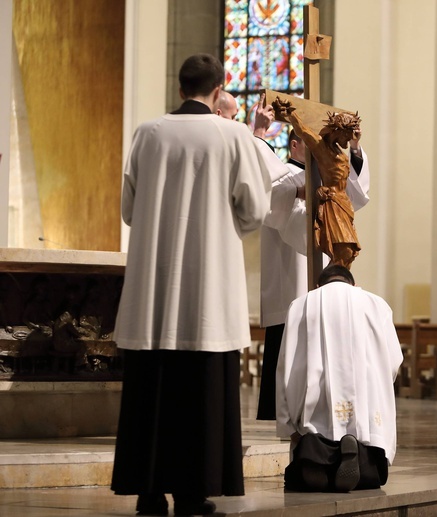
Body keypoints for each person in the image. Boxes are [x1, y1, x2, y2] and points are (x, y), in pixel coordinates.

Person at [110, 54, 287, 516]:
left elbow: (129, 210)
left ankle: (148, 491)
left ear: (180, 84)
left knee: (153, 389)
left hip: (154, 288)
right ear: (218, 87)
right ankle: (192, 491)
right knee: (199, 394)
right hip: (208, 288)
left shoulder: (147, 133)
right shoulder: (231, 135)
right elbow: (254, 208)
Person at [253, 95, 370, 421]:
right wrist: (261, 139)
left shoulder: (319, 176)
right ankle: (281, 409)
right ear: (295, 144)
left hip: (322, 275)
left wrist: (355, 151)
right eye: (312, 141)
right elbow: (272, 205)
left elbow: (356, 196)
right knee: (288, 337)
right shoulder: (285, 175)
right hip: (289, 277)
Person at [276, 265, 403, 492]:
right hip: (366, 413)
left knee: (307, 453)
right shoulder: (377, 304)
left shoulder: (302, 304)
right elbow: (393, 363)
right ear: (353, 285)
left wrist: (289, 421)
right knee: (371, 466)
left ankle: (318, 463)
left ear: (318, 286)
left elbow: (287, 365)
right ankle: (358, 455)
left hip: (315, 413)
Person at [272, 97, 363, 268]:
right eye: (347, 135)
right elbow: (304, 131)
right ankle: (335, 279)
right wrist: (291, 115)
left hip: (343, 204)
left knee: (348, 252)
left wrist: (355, 144)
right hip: (333, 203)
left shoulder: (337, 150)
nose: (348, 140)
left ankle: (337, 279)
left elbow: (356, 188)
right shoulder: (321, 150)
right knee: (343, 250)